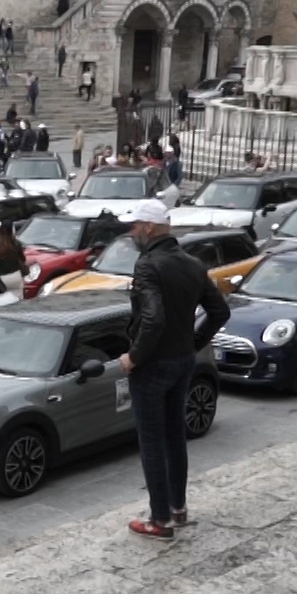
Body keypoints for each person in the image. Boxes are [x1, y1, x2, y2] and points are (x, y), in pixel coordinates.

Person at [119, 199, 230, 540]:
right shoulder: (193, 264)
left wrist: (134, 357)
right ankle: (178, 508)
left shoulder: (148, 265)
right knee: (173, 436)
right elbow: (220, 312)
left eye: (135, 225)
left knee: (152, 441)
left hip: (154, 364)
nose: (131, 231)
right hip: (183, 360)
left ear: (149, 228)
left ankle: (160, 519)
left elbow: (153, 319)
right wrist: (194, 343)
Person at [0, 220, 25, 292]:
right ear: (11, 230)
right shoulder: (16, 243)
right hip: (15, 276)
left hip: (1, 277)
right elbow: (23, 259)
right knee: (18, 300)